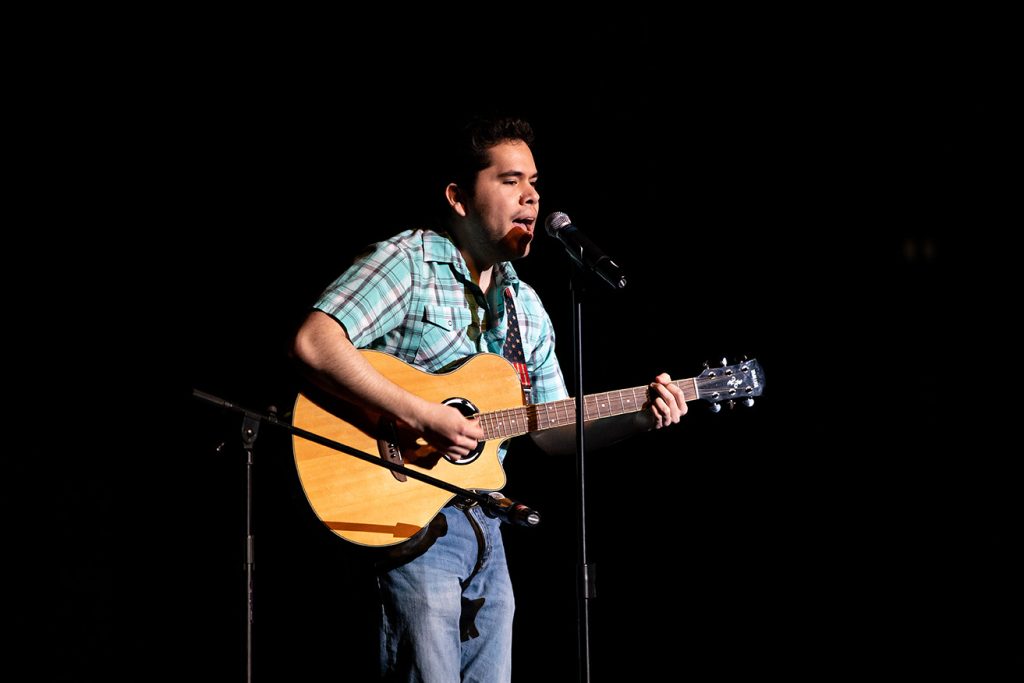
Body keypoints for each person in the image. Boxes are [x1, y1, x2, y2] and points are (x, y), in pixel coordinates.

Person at [289, 114, 687, 682]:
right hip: (407, 522)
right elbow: (314, 341)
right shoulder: (410, 262)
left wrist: (640, 419)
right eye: (510, 181)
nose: (531, 196)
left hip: (487, 526)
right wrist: (423, 413)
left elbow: (550, 429)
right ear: (458, 197)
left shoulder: (525, 308)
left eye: (535, 183)